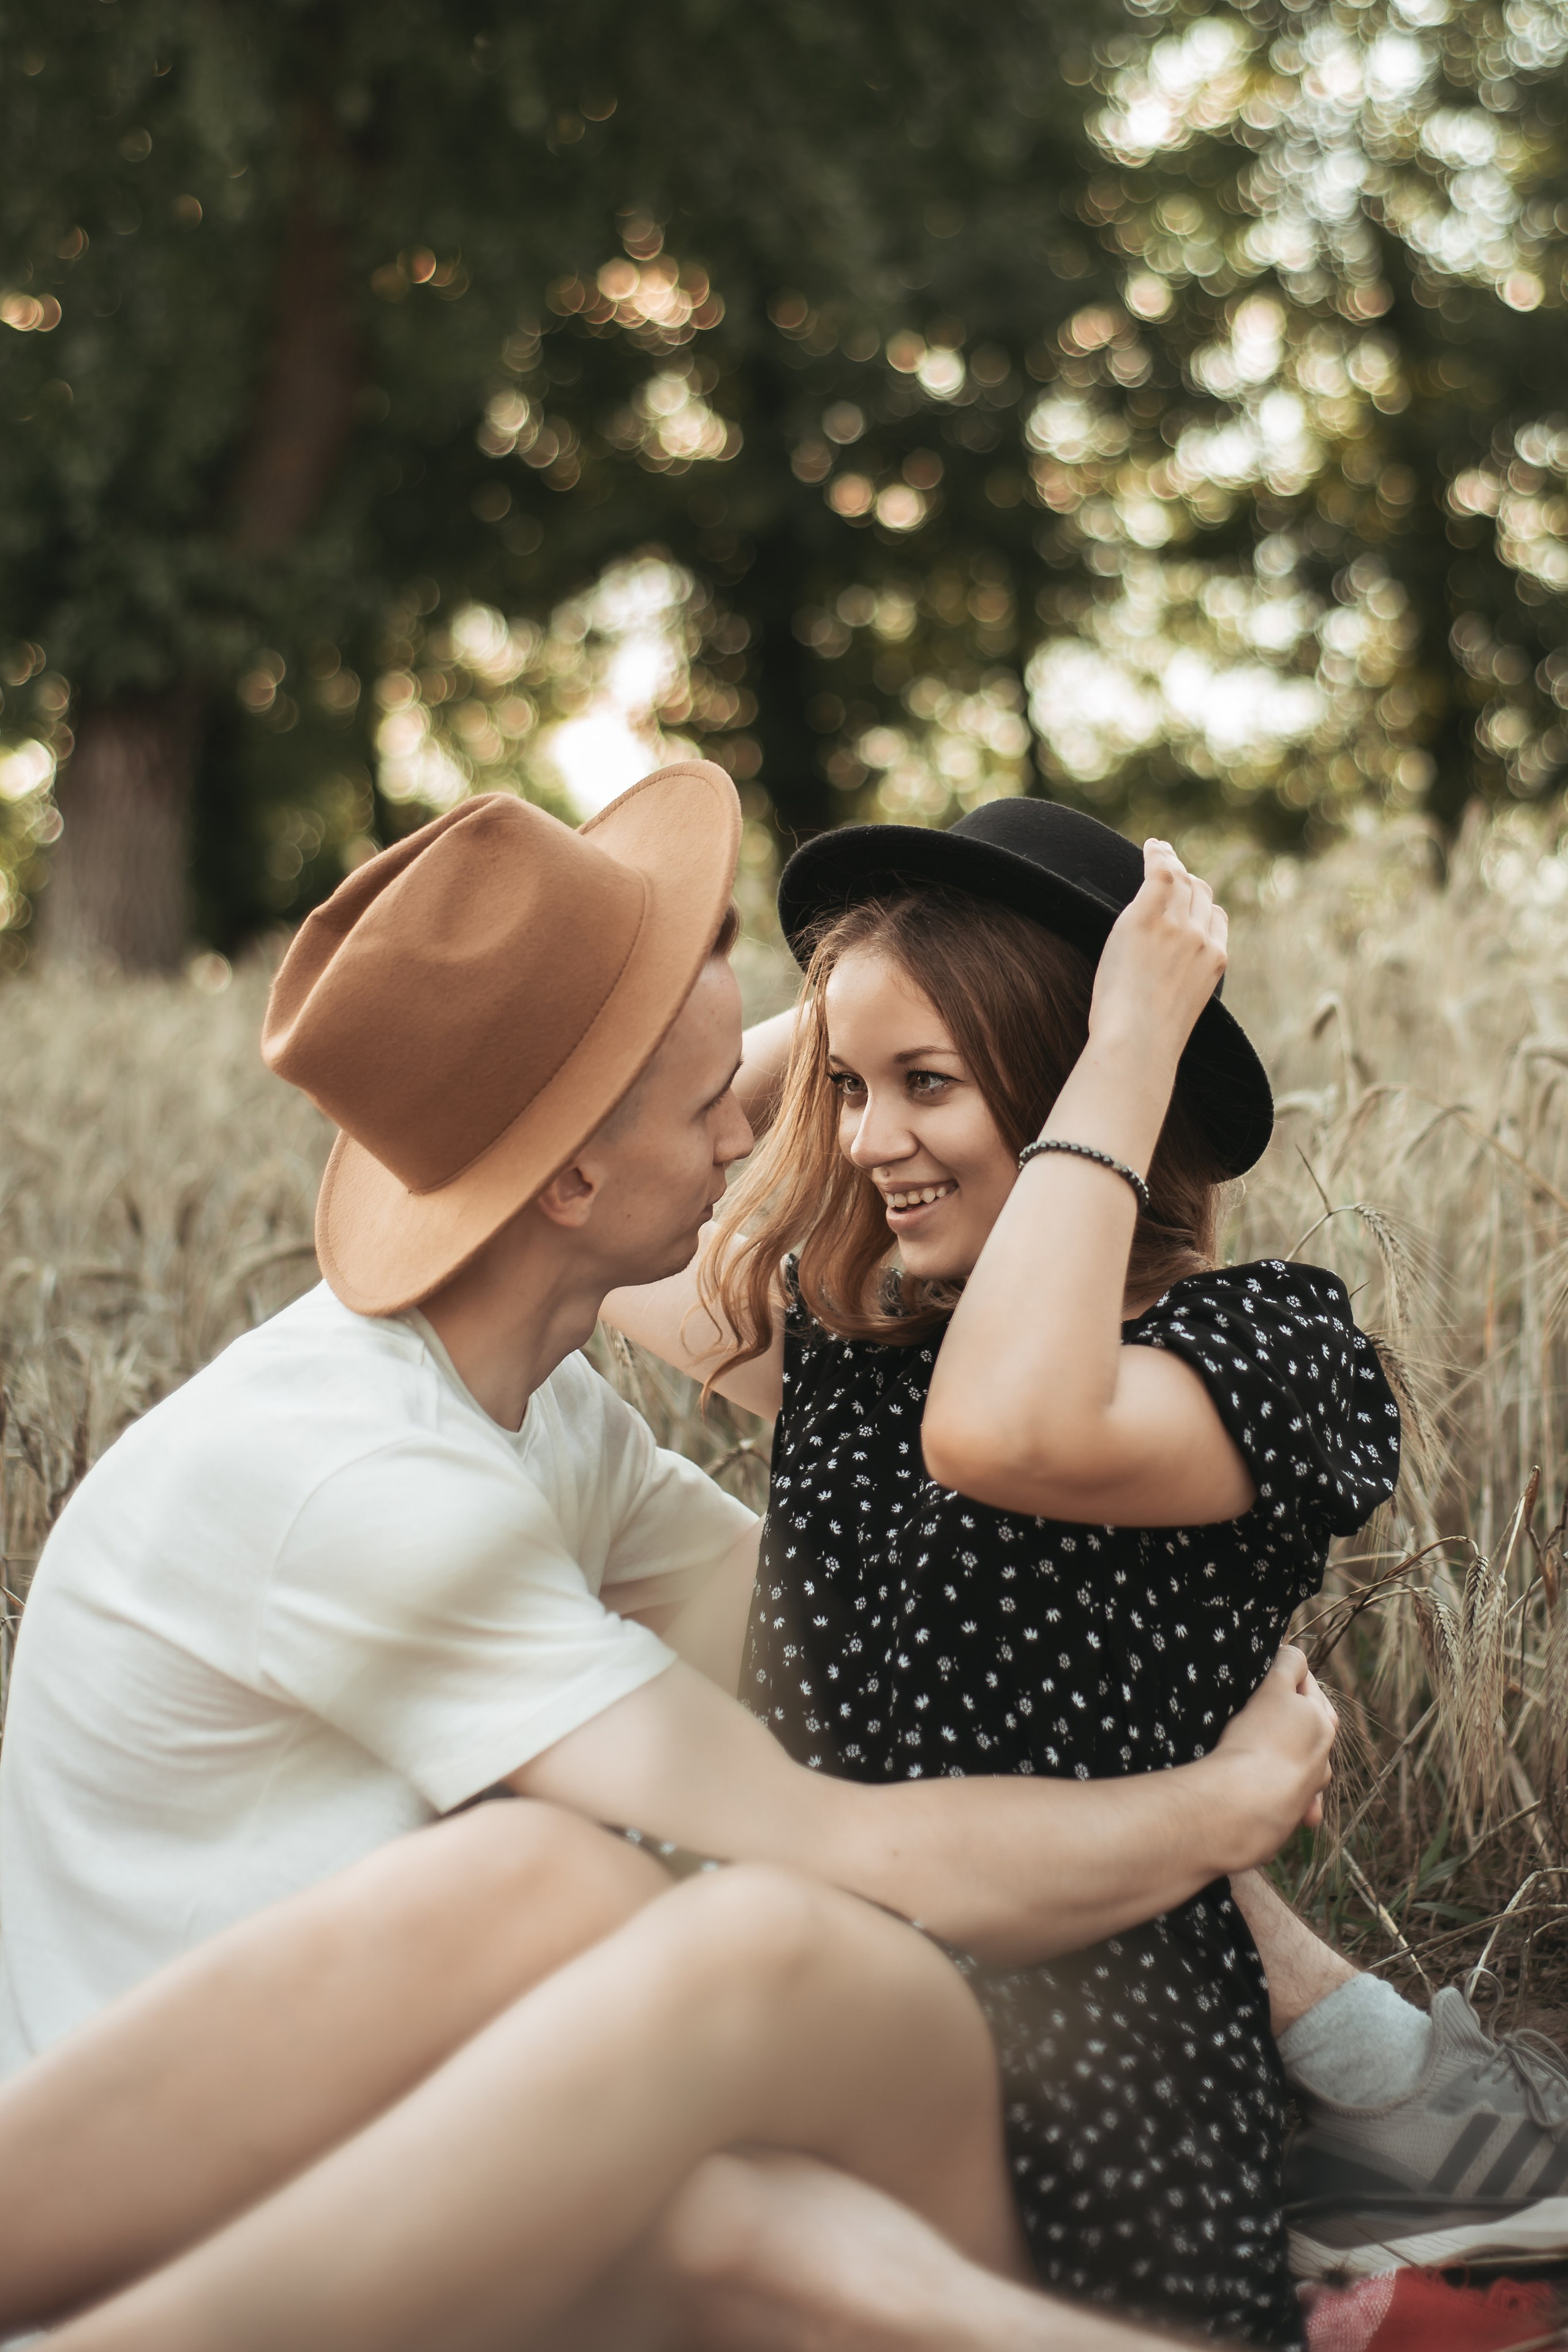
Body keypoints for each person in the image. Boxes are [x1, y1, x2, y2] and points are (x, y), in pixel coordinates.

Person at [0, 765, 1334, 2345]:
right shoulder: (363, 1479)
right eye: (745, 1096)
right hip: (270, 2190)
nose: (780, 1139)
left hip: (499, 2116)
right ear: (570, 1178)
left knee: (566, 1889)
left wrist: (942, 991)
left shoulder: (529, 1414)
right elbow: (832, 1829)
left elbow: (844, 1645)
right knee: (697, 1992)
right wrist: (1216, 1812)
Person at [603, 798, 1568, 2338]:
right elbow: (590, 1203)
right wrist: (872, 971)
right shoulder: (858, 1345)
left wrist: (1129, 1044)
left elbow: (1004, 1426)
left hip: (1072, 2068)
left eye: (927, 1085)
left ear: (1079, 1085)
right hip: (779, 1994)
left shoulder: (1261, 1346)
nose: (863, 1141)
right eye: (852, 1089)